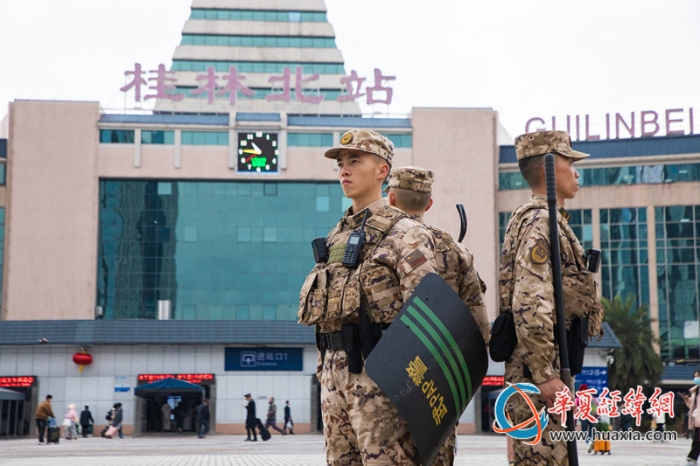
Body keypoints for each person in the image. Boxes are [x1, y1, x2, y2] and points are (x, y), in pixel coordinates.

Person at [299, 129, 438, 465]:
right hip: (334, 378)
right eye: (341, 163)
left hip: (381, 381)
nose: (344, 170)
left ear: (382, 171)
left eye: (355, 161)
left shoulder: (407, 232)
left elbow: (426, 311)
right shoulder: (337, 235)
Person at [500, 130, 604, 465]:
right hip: (538, 372)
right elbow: (529, 300)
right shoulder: (541, 223)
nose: (576, 172)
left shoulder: (536, 219)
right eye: (570, 162)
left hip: (540, 366)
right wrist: (545, 374)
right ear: (550, 166)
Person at [385, 165, 490, 465]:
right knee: (436, 454)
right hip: (438, 377)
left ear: (390, 199)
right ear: (428, 204)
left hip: (388, 374)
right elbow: (478, 323)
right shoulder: (455, 249)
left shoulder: (379, 243)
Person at [680, 370, 700, 465]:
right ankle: (692, 459)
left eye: (697, 376)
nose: (696, 379)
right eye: (695, 376)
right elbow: (694, 406)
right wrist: (687, 400)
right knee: (697, 440)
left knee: (697, 440)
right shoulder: (696, 390)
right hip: (697, 419)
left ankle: (692, 459)